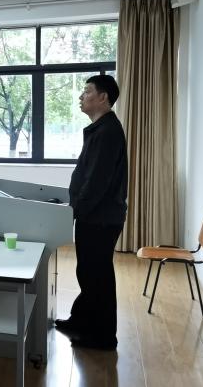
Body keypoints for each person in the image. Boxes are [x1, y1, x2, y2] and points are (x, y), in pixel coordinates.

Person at [57, 75, 128, 350]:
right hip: (94, 216)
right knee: (88, 271)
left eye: (87, 91)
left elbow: (96, 182)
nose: (81, 96)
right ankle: (82, 321)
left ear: (103, 97)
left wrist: (74, 211)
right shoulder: (101, 129)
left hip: (100, 218)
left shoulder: (107, 132)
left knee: (97, 275)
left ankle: (103, 336)